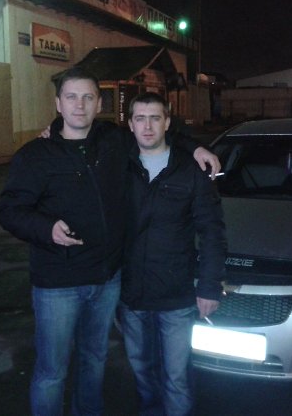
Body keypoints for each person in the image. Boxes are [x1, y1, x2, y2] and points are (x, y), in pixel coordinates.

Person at [0, 67, 220, 416]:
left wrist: (197, 147)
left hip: (105, 282)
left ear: (99, 104)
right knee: (52, 371)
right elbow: (9, 210)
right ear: (58, 103)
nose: (79, 105)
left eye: (88, 97)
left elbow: (158, 134)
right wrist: (44, 228)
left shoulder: (113, 141)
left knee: (94, 361)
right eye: (71, 97)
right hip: (57, 284)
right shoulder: (35, 155)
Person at [119, 92, 226, 416]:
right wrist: (52, 131)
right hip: (132, 293)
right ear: (130, 124)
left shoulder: (190, 170)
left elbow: (212, 231)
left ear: (167, 122)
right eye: (140, 118)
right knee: (141, 369)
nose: (147, 126)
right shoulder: (119, 165)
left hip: (176, 294)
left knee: (176, 375)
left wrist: (209, 286)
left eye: (155, 118)